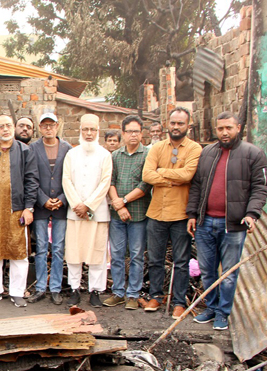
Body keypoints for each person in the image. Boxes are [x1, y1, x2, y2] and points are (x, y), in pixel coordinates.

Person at [187, 112, 267, 330]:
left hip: (232, 225)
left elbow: (261, 188)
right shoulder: (207, 153)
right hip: (205, 223)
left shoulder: (253, 154)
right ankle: (211, 308)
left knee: (229, 273)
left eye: (229, 128)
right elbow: (196, 186)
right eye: (221, 128)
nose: (224, 132)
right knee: (207, 270)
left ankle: (223, 312)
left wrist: (252, 214)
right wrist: (193, 214)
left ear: (238, 128)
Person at [142, 107, 202, 318]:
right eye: (173, 123)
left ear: (188, 125)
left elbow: (188, 175)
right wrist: (172, 179)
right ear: (168, 123)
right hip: (156, 213)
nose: (176, 127)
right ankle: (156, 297)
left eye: (180, 123)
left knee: (181, 261)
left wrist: (161, 173)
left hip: (181, 214)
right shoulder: (157, 148)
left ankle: (178, 302)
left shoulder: (195, 149)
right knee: (156, 259)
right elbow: (147, 175)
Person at [0, 115, 38, 307]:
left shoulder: (25, 150)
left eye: (8, 126)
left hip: (17, 210)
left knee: (18, 252)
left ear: (13, 127)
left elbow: (31, 180)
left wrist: (28, 208)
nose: (5, 129)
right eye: (1, 126)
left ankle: (17, 292)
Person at [62, 114, 113, 307]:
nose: (89, 133)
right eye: (85, 129)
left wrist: (88, 205)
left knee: (97, 253)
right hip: (75, 213)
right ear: (80, 131)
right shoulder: (71, 154)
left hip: (97, 213)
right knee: (74, 253)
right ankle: (74, 289)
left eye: (93, 130)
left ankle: (95, 291)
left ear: (98, 131)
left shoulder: (105, 155)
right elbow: (66, 180)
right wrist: (77, 205)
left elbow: (105, 182)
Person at [103, 115, 152, 310]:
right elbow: (110, 181)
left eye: (137, 132)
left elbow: (145, 184)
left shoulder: (148, 155)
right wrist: (118, 205)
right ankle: (118, 292)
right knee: (116, 254)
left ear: (141, 134)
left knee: (137, 254)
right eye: (130, 131)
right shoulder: (115, 156)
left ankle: (133, 294)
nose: (133, 135)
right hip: (117, 215)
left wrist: (123, 202)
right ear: (123, 134)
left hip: (138, 214)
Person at [29, 112, 71, 305]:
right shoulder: (33, 148)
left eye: (51, 125)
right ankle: (40, 288)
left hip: (62, 205)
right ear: (39, 127)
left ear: (57, 126)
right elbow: (29, 177)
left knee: (58, 248)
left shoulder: (68, 149)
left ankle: (55, 287)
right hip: (41, 205)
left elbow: (71, 178)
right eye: (44, 125)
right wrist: (43, 199)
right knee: (41, 248)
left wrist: (62, 199)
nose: (48, 128)